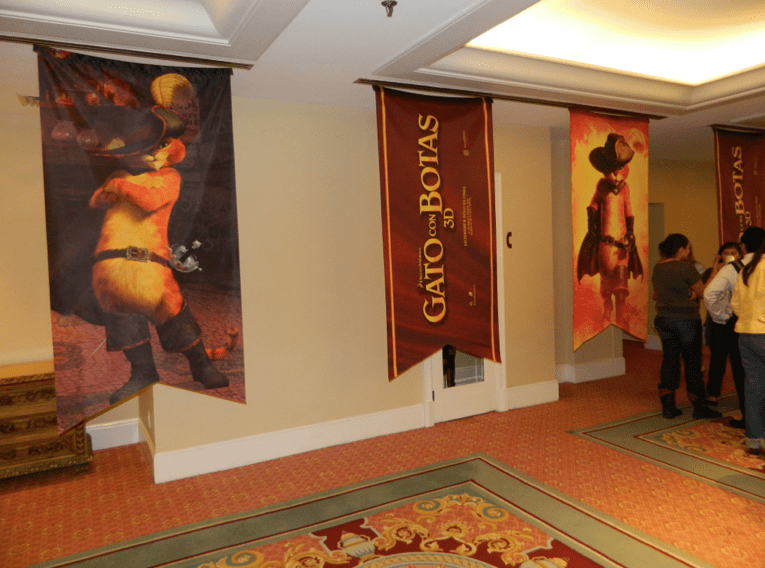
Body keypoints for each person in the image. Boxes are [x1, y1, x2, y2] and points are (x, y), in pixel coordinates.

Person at [652, 233, 722, 419]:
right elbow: (703, 293)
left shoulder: (658, 267)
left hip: (663, 319)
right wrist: (714, 273)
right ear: (680, 249)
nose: (689, 252)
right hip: (686, 320)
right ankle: (699, 407)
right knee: (693, 363)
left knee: (669, 361)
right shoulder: (686, 267)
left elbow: (659, 294)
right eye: (687, 248)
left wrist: (688, 293)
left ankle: (668, 407)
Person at [576, 133, 643, 327]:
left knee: (621, 284)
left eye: (618, 168)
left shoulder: (625, 188)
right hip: (605, 245)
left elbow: (628, 210)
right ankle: (607, 308)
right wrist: (592, 225)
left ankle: (620, 315)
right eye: (611, 169)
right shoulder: (602, 186)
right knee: (606, 281)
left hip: (621, 245)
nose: (615, 174)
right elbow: (593, 205)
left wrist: (630, 232)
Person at [704, 231, 765, 429]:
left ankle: (752, 425)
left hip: (743, 328)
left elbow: (711, 294)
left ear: (743, 247)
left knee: (747, 378)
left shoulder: (736, 269)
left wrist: (722, 316)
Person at [731, 237, 765, 455]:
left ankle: (754, 439)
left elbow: (735, 304)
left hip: (745, 333)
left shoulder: (748, 268)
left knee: (753, 387)